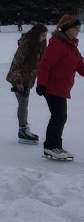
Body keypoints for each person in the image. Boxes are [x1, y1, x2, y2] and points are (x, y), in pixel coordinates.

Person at [36, 14, 84, 161]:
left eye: (79, 28)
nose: (78, 31)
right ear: (68, 28)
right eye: (76, 28)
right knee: (59, 116)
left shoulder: (71, 45)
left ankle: (55, 146)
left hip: (62, 87)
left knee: (60, 117)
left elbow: (80, 64)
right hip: (52, 86)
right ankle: (51, 147)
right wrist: (41, 84)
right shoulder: (57, 44)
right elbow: (45, 64)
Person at [6, 23, 48, 144]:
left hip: (27, 79)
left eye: (45, 35)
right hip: (18, 79)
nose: (44, 38)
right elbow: (16, 63)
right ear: (36, 35)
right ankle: (22, 130)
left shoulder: (40, 45)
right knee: (23, 104)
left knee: (24, 104)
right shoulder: (26, 44)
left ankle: (23, 128)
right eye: (42, 35)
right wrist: (18, 81)